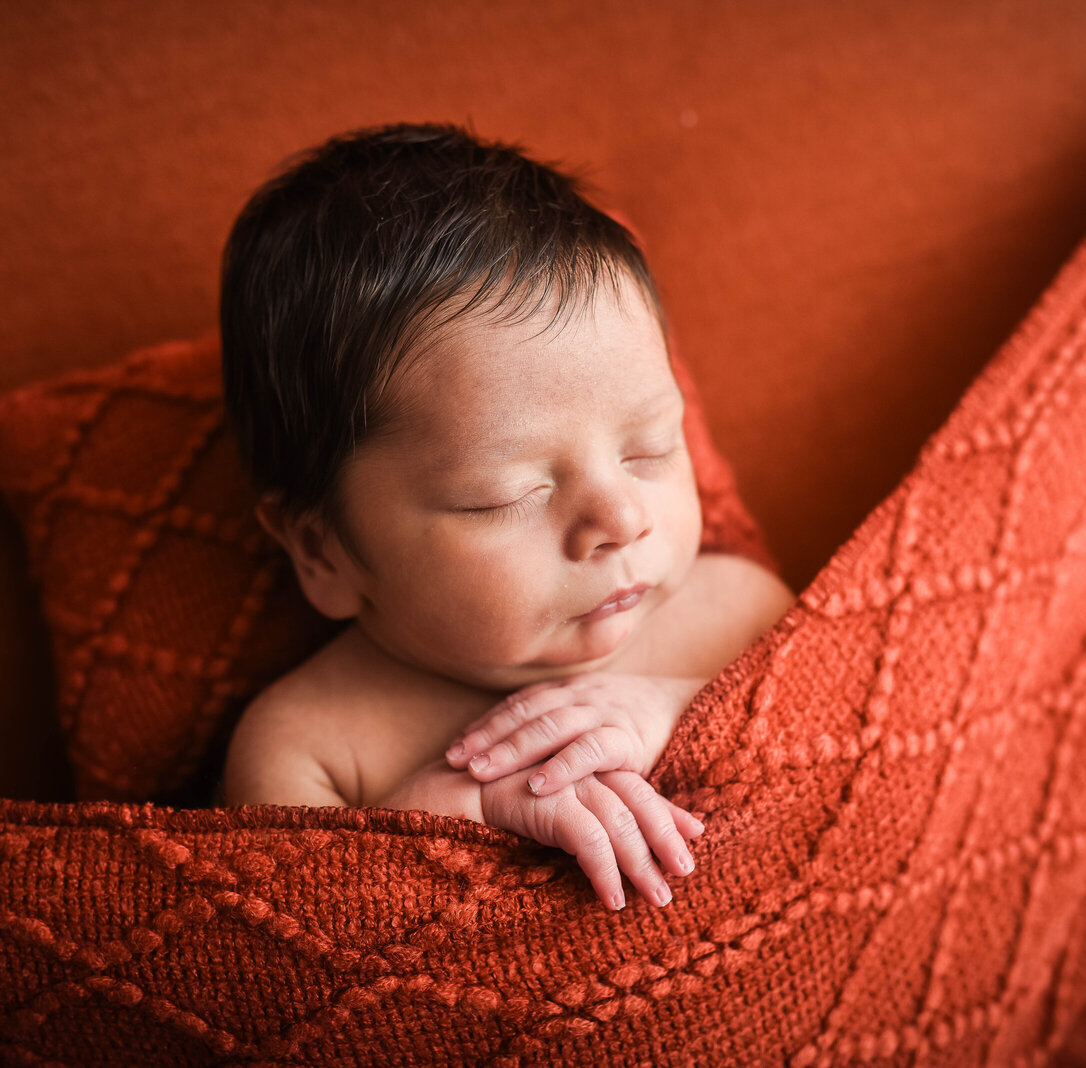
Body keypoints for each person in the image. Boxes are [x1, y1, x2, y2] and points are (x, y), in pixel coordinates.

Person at [219, 123, 794, 912]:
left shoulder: (738, 608)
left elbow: (846, 743)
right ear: (324, 551)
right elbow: (303, 949)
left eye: (651, 449)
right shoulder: (312, 744)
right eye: (506, 493)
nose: (622, 517)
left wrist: (678, 712)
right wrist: (459, 805)